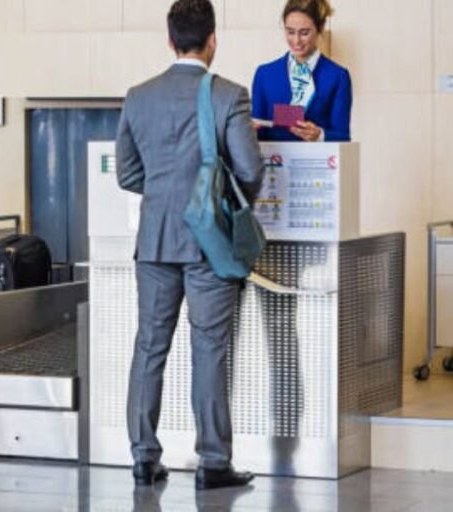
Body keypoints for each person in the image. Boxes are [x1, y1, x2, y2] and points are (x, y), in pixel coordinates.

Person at [115, 0, 264, 490]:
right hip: (209, 246)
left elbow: (127, 173)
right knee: (209, 351)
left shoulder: (138, 96)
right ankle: (213, 462)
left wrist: (165, 195)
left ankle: (143, 456)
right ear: (213, 39)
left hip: (154, 242)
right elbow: (250, 169)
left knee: (149, 347)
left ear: (170, 39)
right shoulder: (228, 96)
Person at [251, 0, 351, 142]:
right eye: (290, 32)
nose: (296, 41)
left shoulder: (337, 76)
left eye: (304, 33)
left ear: (320, 28)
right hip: (273, 162)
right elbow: (258, 134)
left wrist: (320, 135)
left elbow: (343, 136)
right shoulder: (265, 75)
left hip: (317, 162)